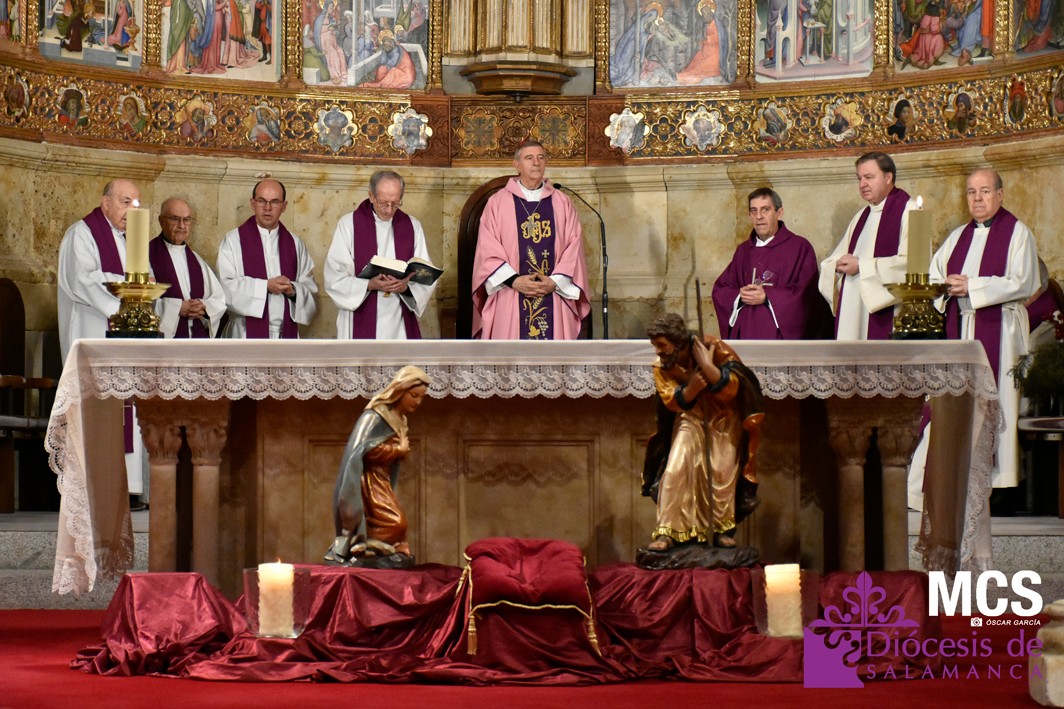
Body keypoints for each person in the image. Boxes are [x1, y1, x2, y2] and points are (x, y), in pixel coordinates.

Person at [929, 168, 1039, 494]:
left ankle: (1002, 485)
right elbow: (934, 277)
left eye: (985, 191)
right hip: (963, 328)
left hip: (1001, 331)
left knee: (1000, 402)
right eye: (971, 192)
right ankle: (965, 480)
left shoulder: (1017, 233)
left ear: (1000, 195)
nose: (977, 198)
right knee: (964, 404)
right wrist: (946, 287)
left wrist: (973, 287)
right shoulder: (957, 237)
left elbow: (1023, 282)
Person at [56, 178, 146, 505]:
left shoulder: (132, 241)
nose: (131, 210)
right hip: (92, 333)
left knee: (126, 406)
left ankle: (128, 487)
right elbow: (83, 280)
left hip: (124, 341)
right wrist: (126, 290)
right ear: (105, 202)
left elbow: (143, 283)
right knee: (94, 406)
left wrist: (138, 289)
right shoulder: (81, 234)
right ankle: (91, 488)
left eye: (135, 204)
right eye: (125, 202)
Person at [643, 314, 763, 550]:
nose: (658, 351)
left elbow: (736, 387)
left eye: (661, 345)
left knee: (720, 473)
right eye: (655, 345)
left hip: (724, 419)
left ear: (677, 342)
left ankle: (720, 530)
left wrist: (709, 368)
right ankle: (667, 532)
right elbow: (672, 401)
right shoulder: (662, 365)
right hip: (690, 417)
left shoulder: (712, 347)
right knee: (676, 468)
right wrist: (693, 388)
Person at [472, 140, 590, 340]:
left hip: (553, 292)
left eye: (541, 157)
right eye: (529, 158)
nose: (536, 162)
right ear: (516, 165)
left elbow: (574, 248)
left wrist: (554, 282)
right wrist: (514, 281)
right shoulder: (497, 202)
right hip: (510, 292)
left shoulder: (562, 202)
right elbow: (487, 249)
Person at [325, 365, 431, 564]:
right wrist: (398, 450)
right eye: (414, 395)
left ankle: (371, 546)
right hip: (365, 480)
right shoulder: (374, 416)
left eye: (422, 397)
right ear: (400, 390)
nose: (417, 401)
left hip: (381, 478)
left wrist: (398, 452)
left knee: (396, 524)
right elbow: (363, 451)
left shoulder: (400, 419)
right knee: (395, 523)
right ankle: (362, 544)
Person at [325, 170, 437, 339]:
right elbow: (335, 277)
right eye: (384, 203)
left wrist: (406, 288)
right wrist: (369, 285)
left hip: (398, 319)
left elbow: (424, 276)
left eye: (395, 203)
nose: (389, 210)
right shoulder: (349, 225)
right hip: (359, 316)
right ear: (371, 196)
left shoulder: (412, 226)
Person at [818, 151, 912, 340]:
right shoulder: (862, 216)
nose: (862, 184)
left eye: (869, 177)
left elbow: (911, 265)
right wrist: (836, 267)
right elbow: (833, 260)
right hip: (853, 311)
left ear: (888, 177)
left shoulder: (909, 211)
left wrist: (862, 266)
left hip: (888, 313)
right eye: (859, 178)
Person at [712, 188, 823, 340]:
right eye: (754, 210)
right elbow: (721, 290)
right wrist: (739, 296)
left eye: (765, 209)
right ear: (749, 215)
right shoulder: (743, 251)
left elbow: (807, 294)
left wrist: (768, 297)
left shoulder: (799, 247)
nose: (759, 216)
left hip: (779, 339)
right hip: (745, 333)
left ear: (779, 213)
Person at [216, 179, 317, 338]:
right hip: (243, 333)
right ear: (253, 203)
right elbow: (224, 288)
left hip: (285, 334)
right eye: (262, 201)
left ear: (284, 206)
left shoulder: (295, 244)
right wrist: (265, 287)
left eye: (275, 202)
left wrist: (293, 290)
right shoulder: (233, 240)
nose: (267, 208)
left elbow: (310, 291)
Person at [149, 197, 227, 338]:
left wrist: (204, 307)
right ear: (161, 221)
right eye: (175, 219)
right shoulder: (147, 256)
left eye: (186, 220)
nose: (181, 225)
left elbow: (219, 300)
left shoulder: (196, 260)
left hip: (196, 341)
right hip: (165, 343)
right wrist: (176, 308)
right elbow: (139, 303)